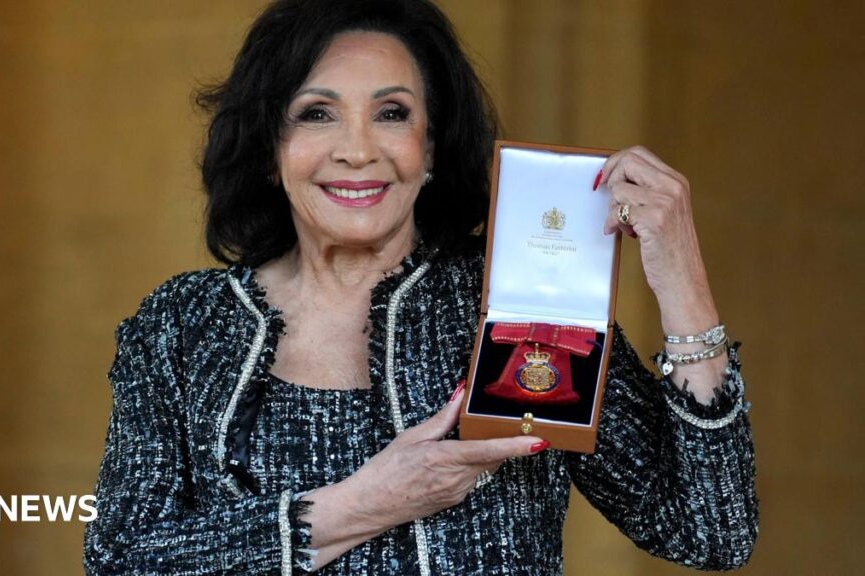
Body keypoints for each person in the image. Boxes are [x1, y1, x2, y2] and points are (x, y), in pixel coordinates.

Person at [82, 0, 758, 574]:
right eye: (317, 113)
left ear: (430, 147)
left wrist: (682, 281)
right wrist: (363, 504)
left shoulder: (516, 300)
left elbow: (710, 530)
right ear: (269, 146)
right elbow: (118, 559)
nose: (357, 149)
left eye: (393, 113)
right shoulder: (183, 325)